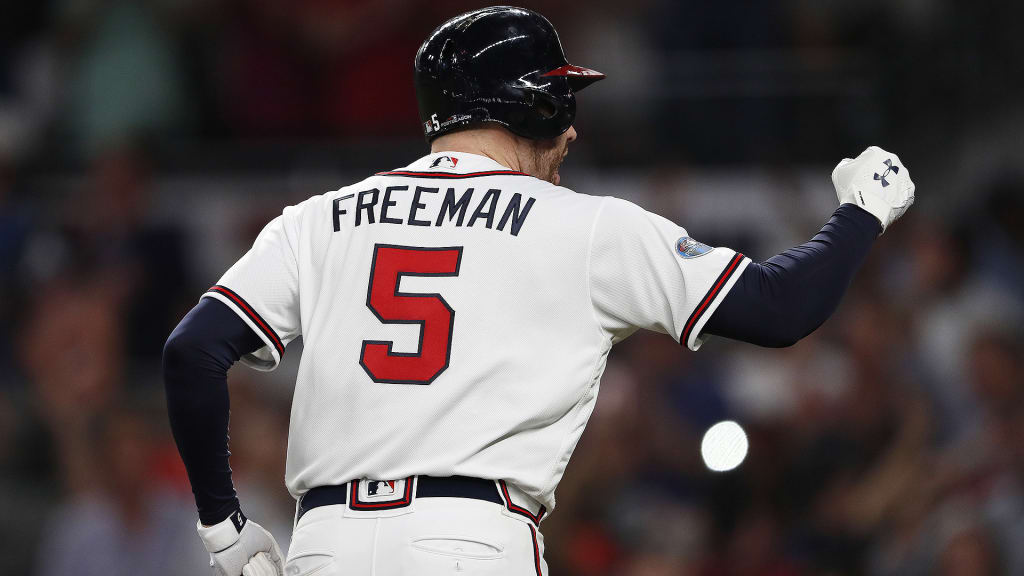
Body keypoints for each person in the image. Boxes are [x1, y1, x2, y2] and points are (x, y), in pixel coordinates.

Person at [163, 6, 915, 576]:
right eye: (562, 100)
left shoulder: (319, 220)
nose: (573, 128)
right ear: (533, 106)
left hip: (322, 546)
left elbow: (193, 352)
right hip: (472, 543)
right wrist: (861, 213)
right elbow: (781, 309)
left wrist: (224, 528)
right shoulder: (583, 228)